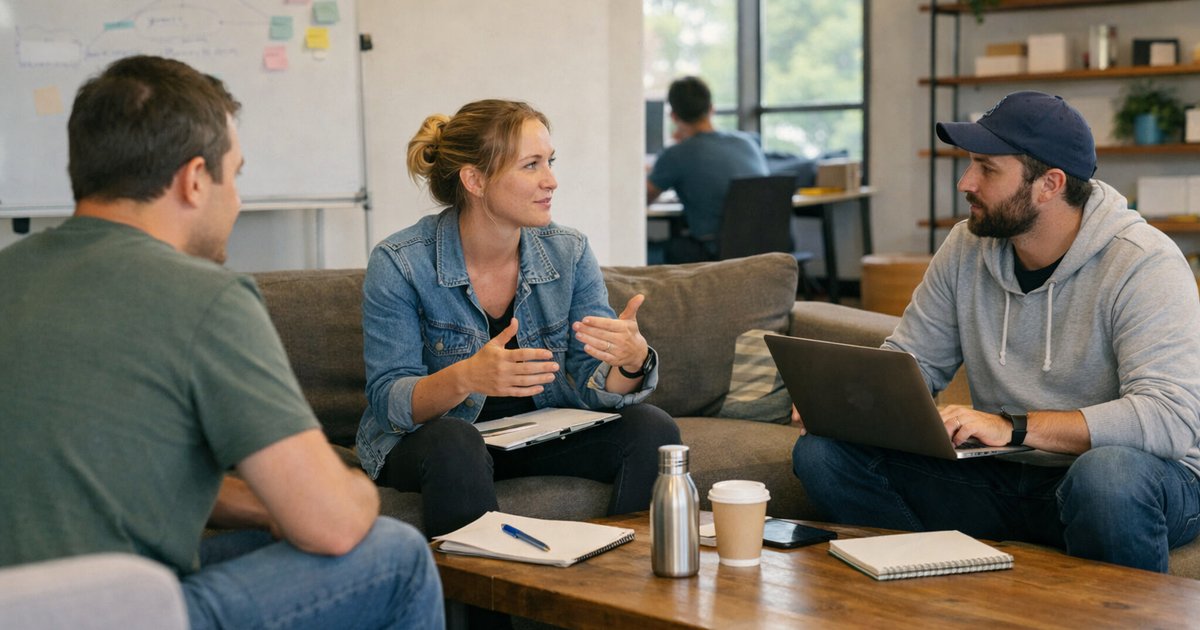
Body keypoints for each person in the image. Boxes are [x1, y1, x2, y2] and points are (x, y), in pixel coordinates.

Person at [0, 55, 442, 629]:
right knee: (396, 554)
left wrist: (258, 507)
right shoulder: (206, 298)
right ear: (193, 180)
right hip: (119, 612)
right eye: (234, 175)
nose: (235, 199)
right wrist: (355, 488)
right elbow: (332, 524)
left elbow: (89, 476)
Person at [791, 90, 1200, 573]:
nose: (966, 182)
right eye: (970, 165)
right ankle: (937, 592)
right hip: (1001, 476)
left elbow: (1170, 418)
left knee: (1107, 475)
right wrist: (853, 405)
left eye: (987, 168)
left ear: (1049, 184)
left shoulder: (1143, 261)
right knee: (824, 454)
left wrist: (1012, 427)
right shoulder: (965, 247)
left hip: (1134, 480)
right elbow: (914, 361)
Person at [359, 99, 681, 539]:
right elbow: (389, 400)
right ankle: (482, 608)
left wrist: (630, 362)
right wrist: (468, 376)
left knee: (652, 429)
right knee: (456, 441)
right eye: (531, 165)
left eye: (549, 162)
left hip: (535, 433)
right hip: (437, 444)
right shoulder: (400, 262)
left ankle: (624, 591)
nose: (551, 180)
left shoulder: (569, 251)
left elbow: (589, 378)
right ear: (474, 179)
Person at [647, 76, 769, 262]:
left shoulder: (676, 154)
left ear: (673, 116)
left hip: (713, 251)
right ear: (712, 108)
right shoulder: (748, 142)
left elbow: (643, 199)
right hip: (765, 248)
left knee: (649, 251)